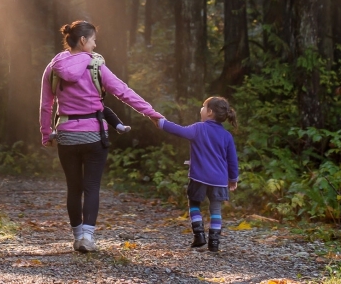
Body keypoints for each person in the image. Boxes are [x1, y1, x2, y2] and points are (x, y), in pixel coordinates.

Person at [40, 20, 164, 253]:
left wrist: (47, 133)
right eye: (94, 40)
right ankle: (88, 237)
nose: (96, 45)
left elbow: (46, 105)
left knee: (73, 188)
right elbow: (123, 92)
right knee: (92, 187)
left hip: (66, 135)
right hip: (94, 135)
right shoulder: (96, 65)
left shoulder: (53, 67)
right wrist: (151, 113)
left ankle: (77, 238)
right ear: (84, 40)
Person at [151, 96, 239, 252]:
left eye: (203, 107)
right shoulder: (227, 136)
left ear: (210, 112)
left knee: (194, 203)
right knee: (216, 209)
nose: (201, 110)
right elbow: (232, 160)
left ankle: (199, 235)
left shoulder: (199, 128)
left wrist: (161, 122)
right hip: (219, 180)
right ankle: (214, 242)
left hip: (199, 177)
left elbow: (179, 130)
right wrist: (233, 179)